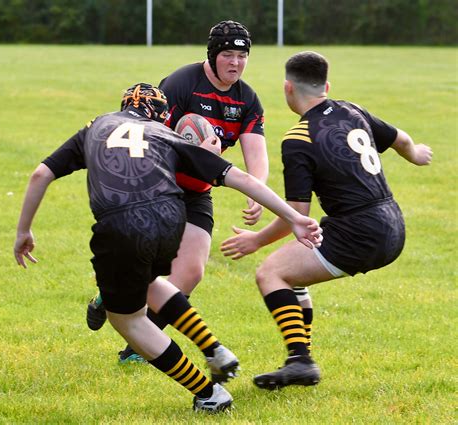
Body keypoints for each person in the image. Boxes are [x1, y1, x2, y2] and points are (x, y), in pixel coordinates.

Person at [13, 82, 323, 411]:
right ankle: (214, 349)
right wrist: (293, 217)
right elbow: (240, 178)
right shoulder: (166, 135)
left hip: (121, 225)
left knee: (126, 320)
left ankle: (208, 393)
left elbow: (40, 175)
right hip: (171, 218)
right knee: (149, 284)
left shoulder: (96, 127)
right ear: (162, 117)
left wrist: (23, 231)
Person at [87, 20, 316, 363]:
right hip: (157, 184)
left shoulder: (247, 100)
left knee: (190, 271)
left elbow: (256, 152)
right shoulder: (181, 84)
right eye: (228, 54)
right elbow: (146, 138)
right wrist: (192, 153)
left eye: (242, 56)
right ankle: (111, 295)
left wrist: (256, 191)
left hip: (197, 192)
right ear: (212, 54)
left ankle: (138, 346)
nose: (235, 63)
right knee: (146, 261)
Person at [220, 51, 433, 390]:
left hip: (359, 232)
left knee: (271, 273)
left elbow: (297, 216)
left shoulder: (298, 138)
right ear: (327, 86)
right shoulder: (352, 109)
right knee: (294, 268)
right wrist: (417, 154)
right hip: (393, 223)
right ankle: (299, 360)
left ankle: (301, 362)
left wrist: (256, 240)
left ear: (288, 88)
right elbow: (402, 140)